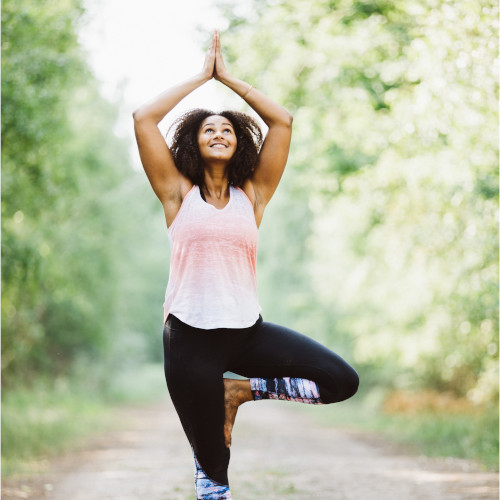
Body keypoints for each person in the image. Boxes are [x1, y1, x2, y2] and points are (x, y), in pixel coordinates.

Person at [133, 29, 359, 500]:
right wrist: (201, 79)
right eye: (208, 129)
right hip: (189, 338)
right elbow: (143, 118)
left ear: (240, 144)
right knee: (213, 468)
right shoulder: (177, 195)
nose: (218, 133)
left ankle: (239, 392)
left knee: (340, 381)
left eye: (228, 129)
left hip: (246, 330)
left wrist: (230, 80)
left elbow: (283, 121)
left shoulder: (253, 196)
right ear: (195, 143)